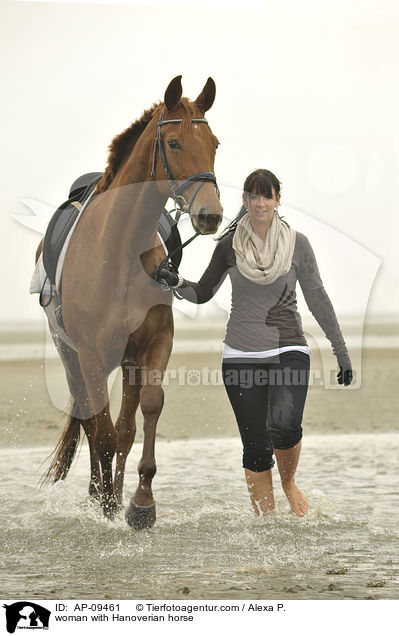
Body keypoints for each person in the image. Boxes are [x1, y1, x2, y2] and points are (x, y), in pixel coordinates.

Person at [155, 169, 352, 517]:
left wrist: (341, 351)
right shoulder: (229, 245)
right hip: (240, 356)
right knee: (256, 446)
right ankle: (268, 525)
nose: (260, 202)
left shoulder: (297, 244)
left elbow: (318, 298)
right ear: (244, 200)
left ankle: (288, 481)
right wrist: (176, 281)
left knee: (285, 424)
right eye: (253, 196)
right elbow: (202, 293)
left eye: (267, 195)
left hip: (289, 348)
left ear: (278, 199)